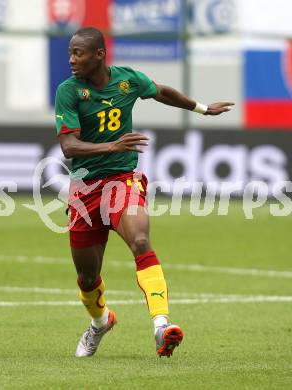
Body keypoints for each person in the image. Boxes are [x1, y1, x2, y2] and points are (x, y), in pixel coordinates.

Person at [55, 27, 233, 358]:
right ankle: (100, 322)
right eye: (70, 53)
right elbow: (68, 146)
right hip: (84, 188)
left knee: (140, 241)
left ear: (99, 55)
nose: (71, 60)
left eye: (77, 53)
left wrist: (202, 108)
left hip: (123, 179)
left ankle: (161, 326)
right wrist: (113, 144)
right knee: (86, 276)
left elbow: (161, 91)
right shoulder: (68, 91)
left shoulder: (127, 80)